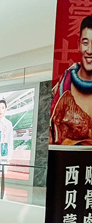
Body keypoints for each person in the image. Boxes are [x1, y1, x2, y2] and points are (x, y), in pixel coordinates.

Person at [50, 15, 92, 145]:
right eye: (85, 43)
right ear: (78, 44)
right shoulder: (62, 87)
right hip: (66, 162)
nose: (90, 51)